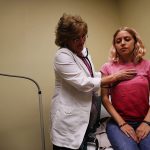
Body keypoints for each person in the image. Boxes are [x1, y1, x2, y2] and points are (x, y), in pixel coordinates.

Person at [50, 14, 137, 150]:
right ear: (65, 39)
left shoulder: (84, 52)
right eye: (76, 38)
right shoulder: (62, 56)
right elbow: (83, 83)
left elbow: (91, 75)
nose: (81, 41)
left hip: (87, 122)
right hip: (70, 123)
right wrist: (114, 77)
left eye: (84, 36)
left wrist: (108, 73)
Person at [100, 27, 150, 150]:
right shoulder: (107, 68)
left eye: (127, 39)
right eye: (118, 41)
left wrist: (146, 123)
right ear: (115, 46)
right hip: (118, 123)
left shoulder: (147, 65)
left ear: (135, 42)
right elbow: (105, 98)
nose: (122, 43)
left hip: (145, 119)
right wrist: (122, 123)